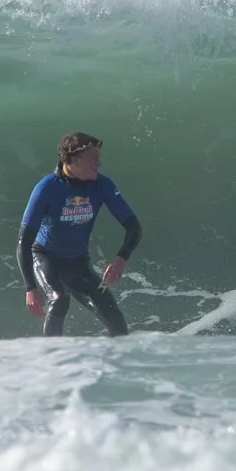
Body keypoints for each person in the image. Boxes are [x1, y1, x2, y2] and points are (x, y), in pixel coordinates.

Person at [17, 131, 141, 336]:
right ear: (73, 160)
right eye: (93, 158)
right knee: (59, 299)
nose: (99, 163)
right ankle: (51, 354)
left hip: (78, 262)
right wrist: (30, 288)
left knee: (113, 316)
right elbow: (24, 241)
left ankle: (118, 356)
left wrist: (122, 257)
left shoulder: (102, 185)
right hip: (46, 256)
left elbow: (134, 227)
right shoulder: (47, 188)